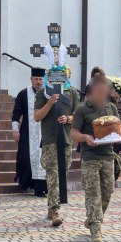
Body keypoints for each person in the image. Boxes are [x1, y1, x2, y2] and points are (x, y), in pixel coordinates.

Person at [71, 75, 121, 242]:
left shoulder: (111, 107)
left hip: (108, 156)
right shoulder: (82, 109)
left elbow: (119, 126)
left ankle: (93, 219)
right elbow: (73, 133)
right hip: (90, 157)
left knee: (107, 192)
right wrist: (85, 137)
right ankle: (96, 231)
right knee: (93, 194)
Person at [34, 67, 79, 227]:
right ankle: (55, 210)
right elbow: (37, 116)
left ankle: (51, 206)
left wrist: (68, 119)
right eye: (57, 75)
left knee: (62, 176)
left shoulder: (72, 93)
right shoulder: (43, 93)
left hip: (66, 141)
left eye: (65, 75)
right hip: (50, 140)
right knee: (53, 176)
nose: (62, 78)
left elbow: (79, 118)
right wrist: (49, 103)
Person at [12, 67, 48, 197]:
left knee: (43, 158)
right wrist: (15, 130)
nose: (38, 82)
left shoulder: (47, 93)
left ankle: (40, 188)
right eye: (36, 79)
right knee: (26, 157)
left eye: (40, 79)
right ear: (31, 79)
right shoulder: (23, 94)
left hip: (44, 131)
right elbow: (16, 112)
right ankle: (27, 183)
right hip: (27, 131)